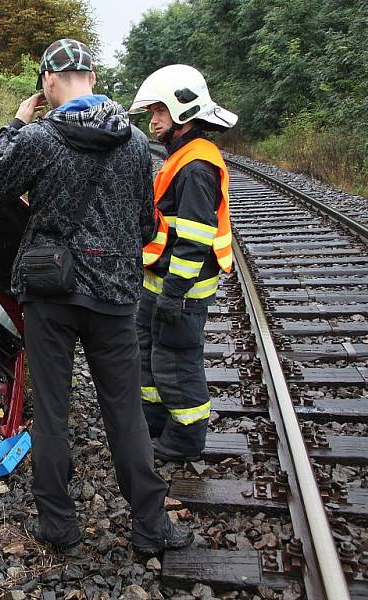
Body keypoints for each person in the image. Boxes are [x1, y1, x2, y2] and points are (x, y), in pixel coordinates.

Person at [0, 39, 193, 555]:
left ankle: (59, 525)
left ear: (49, 82)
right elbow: (144, 225)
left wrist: (14, 126)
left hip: (50, 293)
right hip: (115, 295)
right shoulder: (138, 143)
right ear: (92, 78)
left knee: (52, 411)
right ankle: (151, 526)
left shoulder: (38, 139)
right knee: (125, 411)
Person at [128, 64, 238, 462]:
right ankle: (154, 423)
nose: (153, 120)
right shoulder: (182, 157)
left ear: (182, 112)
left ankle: (185, 441)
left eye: (159, 112)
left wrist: (174, 293)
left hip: (181, 290)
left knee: (176, 362)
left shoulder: (196, 166)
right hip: (159, 285)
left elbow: (194, 238)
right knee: (151, 354)